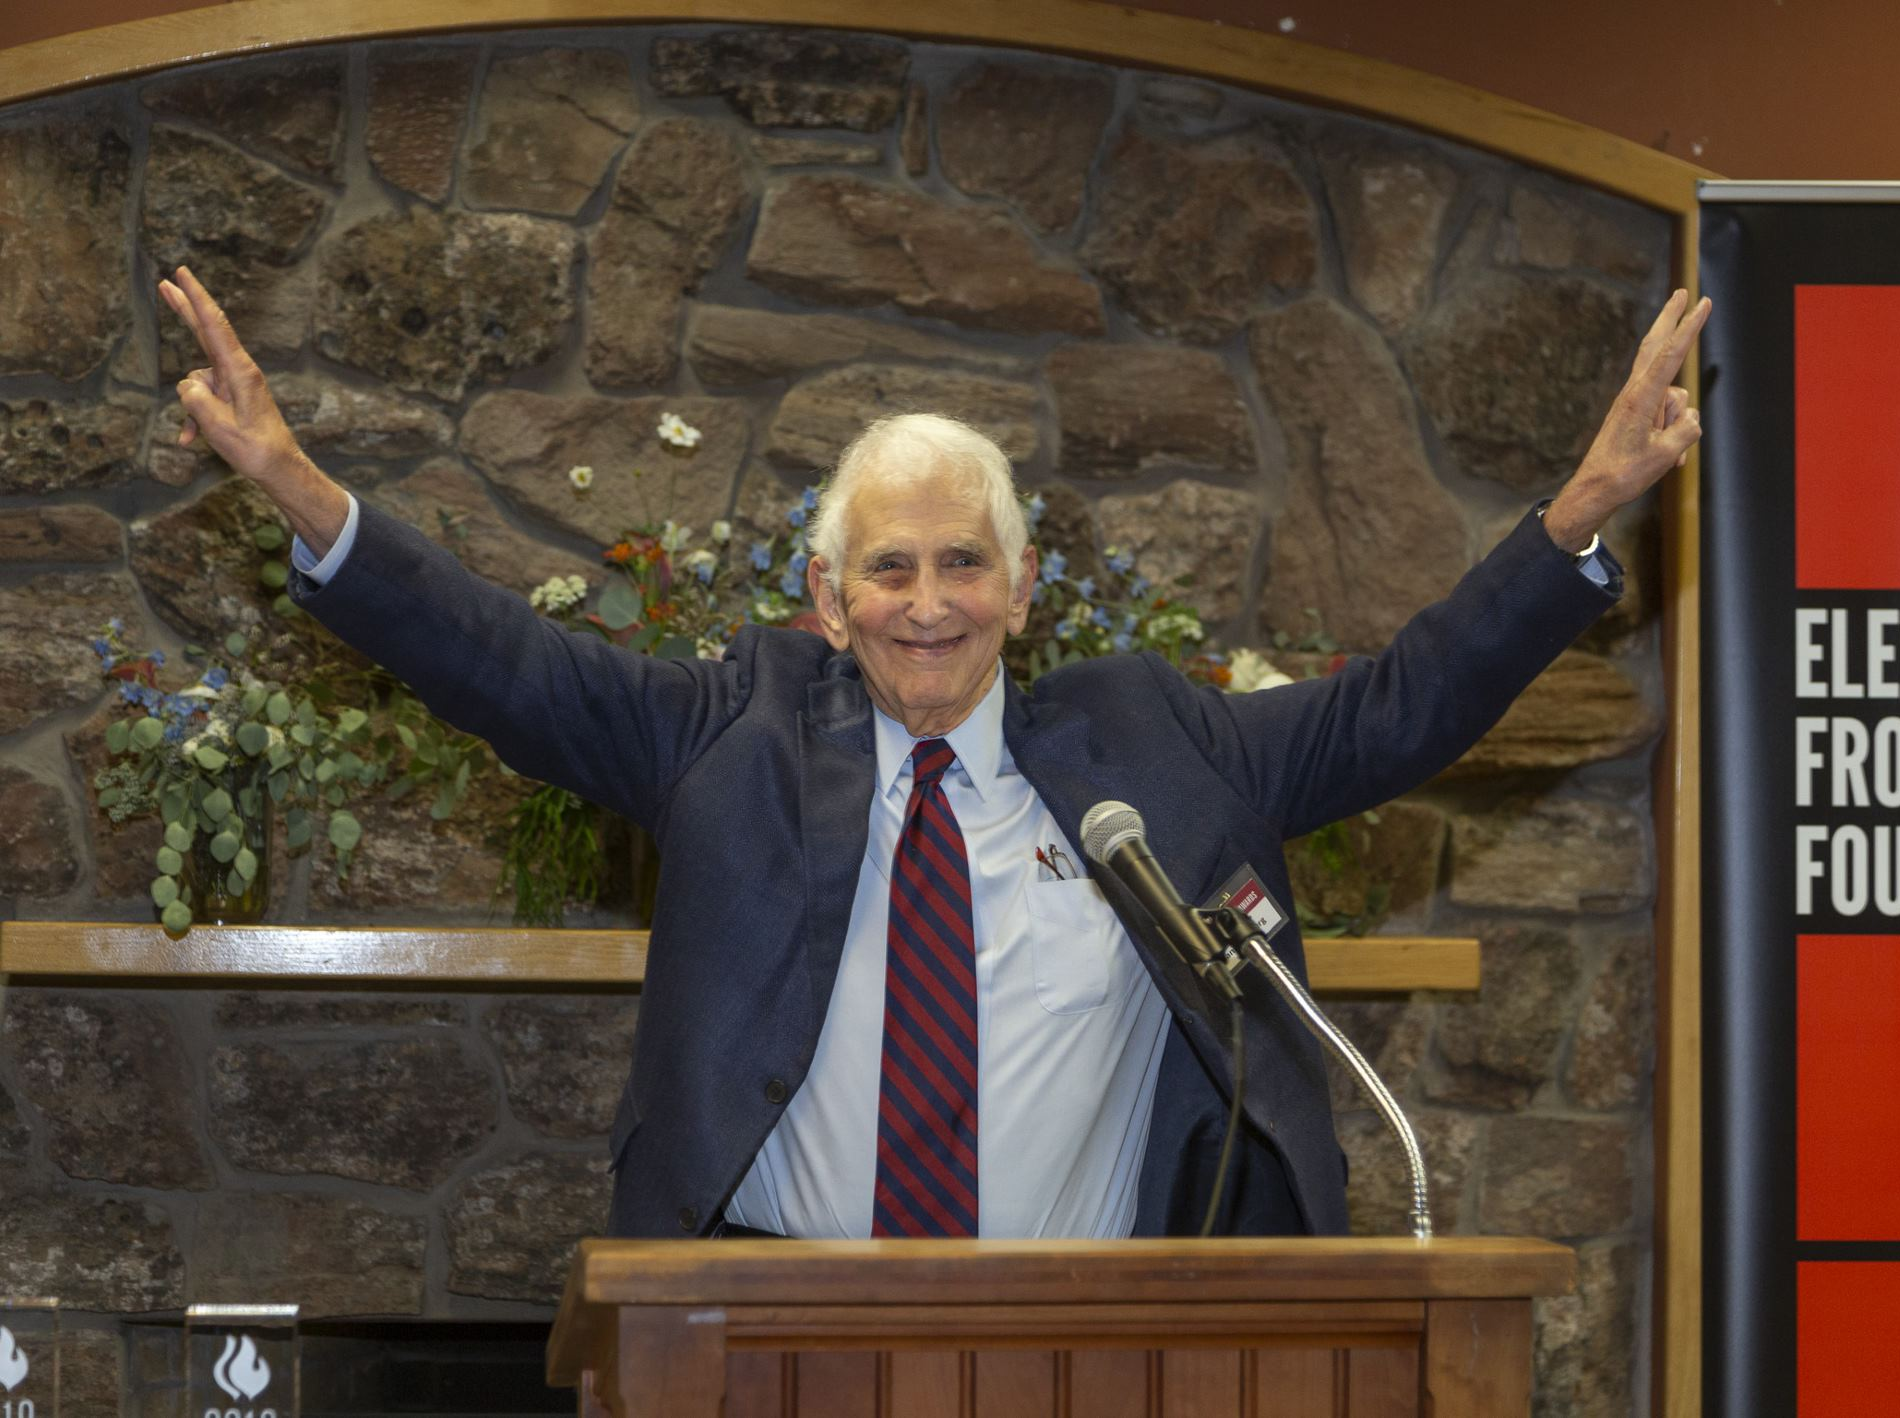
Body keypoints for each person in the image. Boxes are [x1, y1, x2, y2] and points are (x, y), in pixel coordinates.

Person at [156, 267, 1708, 1239]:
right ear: (828, 598)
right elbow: (509, 664)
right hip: (772, 1341)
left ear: (1022, 588)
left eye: (963, 563)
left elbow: (1399, 707)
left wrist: (1577, 513)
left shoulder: (1152, 747)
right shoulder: (731, 733)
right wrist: (301, 489)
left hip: (1091, 1353)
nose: (928, 603)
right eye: (888, 569)